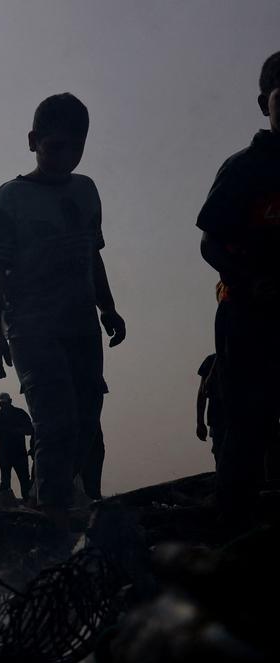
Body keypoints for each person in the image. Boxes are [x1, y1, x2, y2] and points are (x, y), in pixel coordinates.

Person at [0, 93, 126, 527]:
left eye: (77, 147)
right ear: (33, 142)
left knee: (87, 422)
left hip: (81, 325)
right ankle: (52, 515)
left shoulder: (86, 191)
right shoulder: (9, 199)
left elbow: (91, 255)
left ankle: (84, 508)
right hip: (31, 328)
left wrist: (109, 308)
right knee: (55, 420)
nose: (67, 157)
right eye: (55, 146)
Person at [197, 51, 280, 519]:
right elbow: (211, 244)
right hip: (248, 314)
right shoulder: (245, 168)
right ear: (263, 103)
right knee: (248, 421)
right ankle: (229, 528)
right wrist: (250, 282)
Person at [0, 392, 34, 499]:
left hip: (19, 454)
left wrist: (19, 431)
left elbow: (30, 430)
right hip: (4, 454)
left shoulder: (20, 414)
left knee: (24, 481)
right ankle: (6, 505)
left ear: (10, 401)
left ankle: (28, 504)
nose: (3, 406)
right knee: (5, 482)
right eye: (1, 404)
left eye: (5, 404)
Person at [196, 353, 223, 460]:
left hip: (220, 420)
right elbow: (202, 393)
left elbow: (202, 393)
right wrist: (200, 422)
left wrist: (200, 422)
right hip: (218, 420)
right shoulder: (211, 360)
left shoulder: (211, 360)